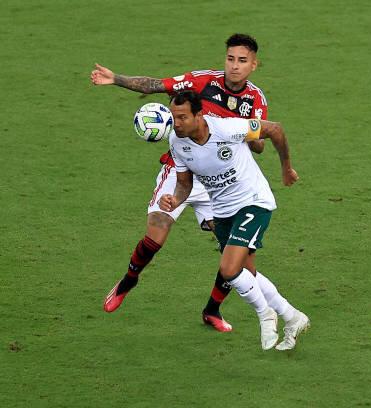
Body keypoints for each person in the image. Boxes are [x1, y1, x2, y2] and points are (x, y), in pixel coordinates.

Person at [91, 34, 267, 332]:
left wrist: (241, 131)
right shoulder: (201, 82)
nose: (234, 66)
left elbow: (260, 144)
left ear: (253, 64)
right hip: (182, 168)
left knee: (235, 255)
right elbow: (156, 85)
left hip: (220, 180)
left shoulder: (256, 100)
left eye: (242, 61)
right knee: (157, 229)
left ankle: (212, 310)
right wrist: (116, 79)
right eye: (230, 59)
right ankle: (127, 282)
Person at [159, 91, 309, 351]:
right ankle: (293, 317)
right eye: (174, 117)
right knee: (246, 272)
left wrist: (286, 167)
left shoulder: (227, 128)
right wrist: (175, 200)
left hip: (253, 201)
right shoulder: (177, 141)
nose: (177, 123)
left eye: (182, 117)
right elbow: (184, 185)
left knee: (229, 269)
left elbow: (275, 129)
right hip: (223, 211)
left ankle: (265, 315)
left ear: (199, 115)